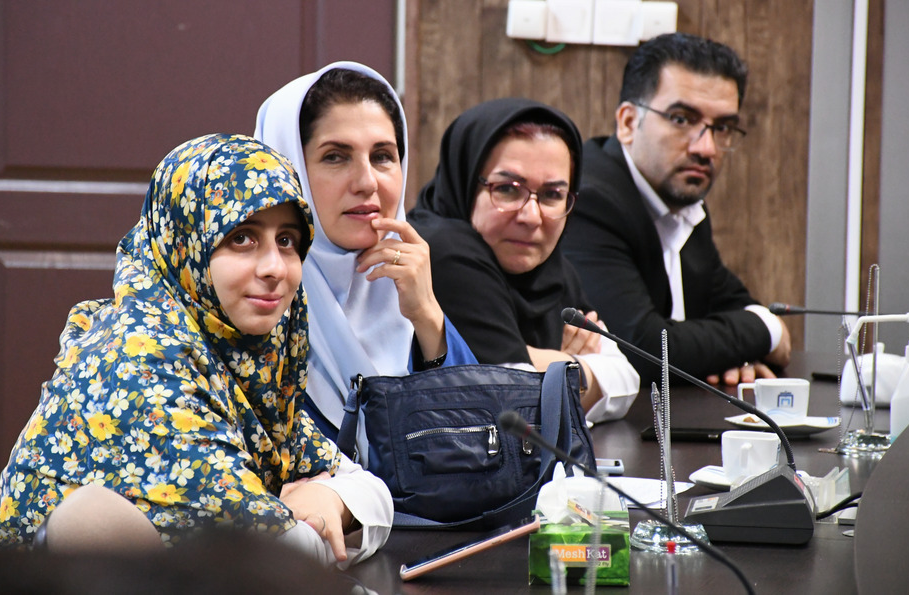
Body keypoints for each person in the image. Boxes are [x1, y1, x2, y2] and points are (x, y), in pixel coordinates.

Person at [0, 134, 392, 567]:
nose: (274, 267)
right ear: (185, 243)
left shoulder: (239, 357)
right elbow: (279, 564)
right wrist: (308, 519)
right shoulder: (140, 363)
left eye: (287, 241)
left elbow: (372, 493)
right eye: (242, 238)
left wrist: (329, 499)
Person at [254, 62, 477, 451]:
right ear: (288, 167)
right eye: (335, 157)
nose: (367, 182)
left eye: (383, 156)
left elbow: (477, 442)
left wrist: (428, 316)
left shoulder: (408, 289)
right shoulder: (251, 297)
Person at [561, 32, 791, 386]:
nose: (706, 148)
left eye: (722, 127)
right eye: (682, 119)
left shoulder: (681, 202)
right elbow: (642, 349)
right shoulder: (591, 201)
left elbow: (732, 304)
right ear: (628, 123)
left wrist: (738, 351)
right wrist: (769, 330)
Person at [408, 98, 639, 423]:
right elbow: (516, 402)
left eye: (552, 195)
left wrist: (543, 368)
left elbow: (626, 379)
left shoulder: (552, 271)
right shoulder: (445, 252)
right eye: (507, 189)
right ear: (466, 180)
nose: (531, 216)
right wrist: (576, 367)